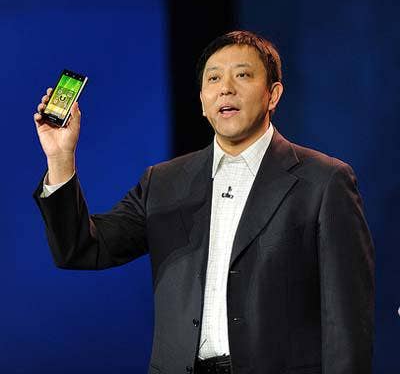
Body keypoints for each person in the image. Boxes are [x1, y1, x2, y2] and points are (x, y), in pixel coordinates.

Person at [33, 31, 375, 374]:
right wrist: (61, 158)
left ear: (273, 95)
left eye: (242, 75)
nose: (225, 88)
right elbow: (80, 248)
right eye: (213, 78)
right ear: (201, 101)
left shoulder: (324, 181)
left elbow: (347, 320)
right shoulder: (164, 182)